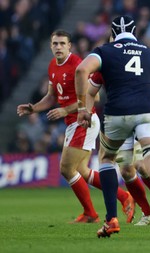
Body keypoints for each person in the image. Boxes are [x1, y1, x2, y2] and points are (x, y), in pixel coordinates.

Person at [75, 16, 150, 239]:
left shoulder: (105, 51)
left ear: (113, 34)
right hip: (149, 112)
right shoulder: (149, 52)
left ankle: (111, 220)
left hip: (117, 114)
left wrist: (81, 109)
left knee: (106, 160)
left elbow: (81, 71)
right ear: (135, 32)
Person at [16, 29, 134, 224]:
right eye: (55, 44)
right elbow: (52, 96)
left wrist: (65, 110)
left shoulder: (78, 65)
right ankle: (123, 196)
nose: (59, 47)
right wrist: (34, 108)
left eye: (63, 43)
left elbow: (94, 97)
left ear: (70, 46)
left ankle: (90, 213)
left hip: (84, 121)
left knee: (66, 169)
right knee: (82, 170)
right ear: (50, 46)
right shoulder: (53, 65)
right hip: (73, 122)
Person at [89, 72, 150, 226]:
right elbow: (91, 92)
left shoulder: (139, 61)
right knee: (125, 170)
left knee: (141, 166)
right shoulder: (106, 64)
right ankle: (147, 212)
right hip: (119, 121)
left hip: (141, 119)